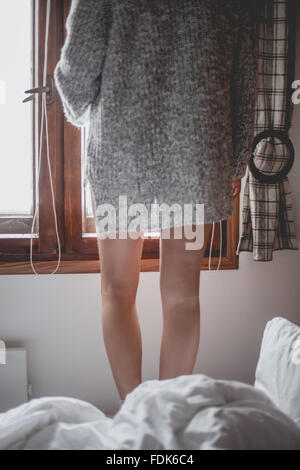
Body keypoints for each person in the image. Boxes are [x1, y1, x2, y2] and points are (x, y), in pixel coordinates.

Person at [54, 0, 259, 403]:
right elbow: (245, 76)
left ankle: (135, 413)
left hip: (120, 153)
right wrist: (234, 160)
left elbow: (77, 70)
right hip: (195, 153)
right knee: (183, 294)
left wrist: (79, 109)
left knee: (117, 288)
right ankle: (166, 417)